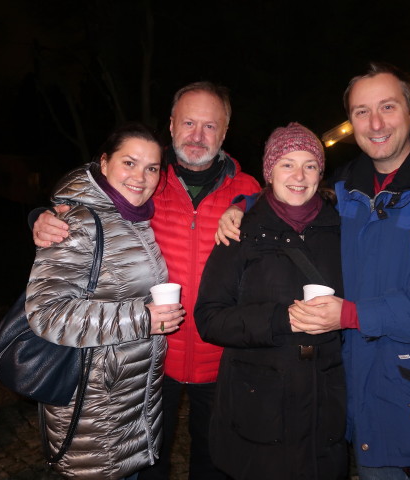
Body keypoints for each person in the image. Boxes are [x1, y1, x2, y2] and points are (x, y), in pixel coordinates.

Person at [216, 63, 410, 479]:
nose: (376, 123)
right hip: (366, 396)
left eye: (387, 106)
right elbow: (293, 193)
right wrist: (242, 207)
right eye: (361, 111)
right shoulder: (347, 187)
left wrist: (354, 315)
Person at [31, 82, 261, 480]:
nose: (197, 135)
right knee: (149, 463)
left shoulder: (248, 189)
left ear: (225, 132)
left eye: (210, 126)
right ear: (171, 125)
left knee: (216, 462)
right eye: (188, 122)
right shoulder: (147, 179)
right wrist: (40, 216)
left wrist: (249, 205)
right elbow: (89, 200)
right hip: (151, 360)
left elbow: (291, 218)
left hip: (221, 357)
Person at [25, 123, 185, 480]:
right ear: (103, 162)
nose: (140, 177)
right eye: (129, 163)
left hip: (130, 402)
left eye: (152, 168)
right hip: (94, 411)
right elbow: (46, 314)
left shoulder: (133, 218)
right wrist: (142, 318)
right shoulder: (80, 222)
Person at [194, 122, 347, 479]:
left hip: (325, 398)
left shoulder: (341, 229)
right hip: (257, 403)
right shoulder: (240, 231)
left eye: (310, 164)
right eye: (287, 164)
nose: (299, 175)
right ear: (269, 172)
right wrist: (281, 320)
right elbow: (209, 317)